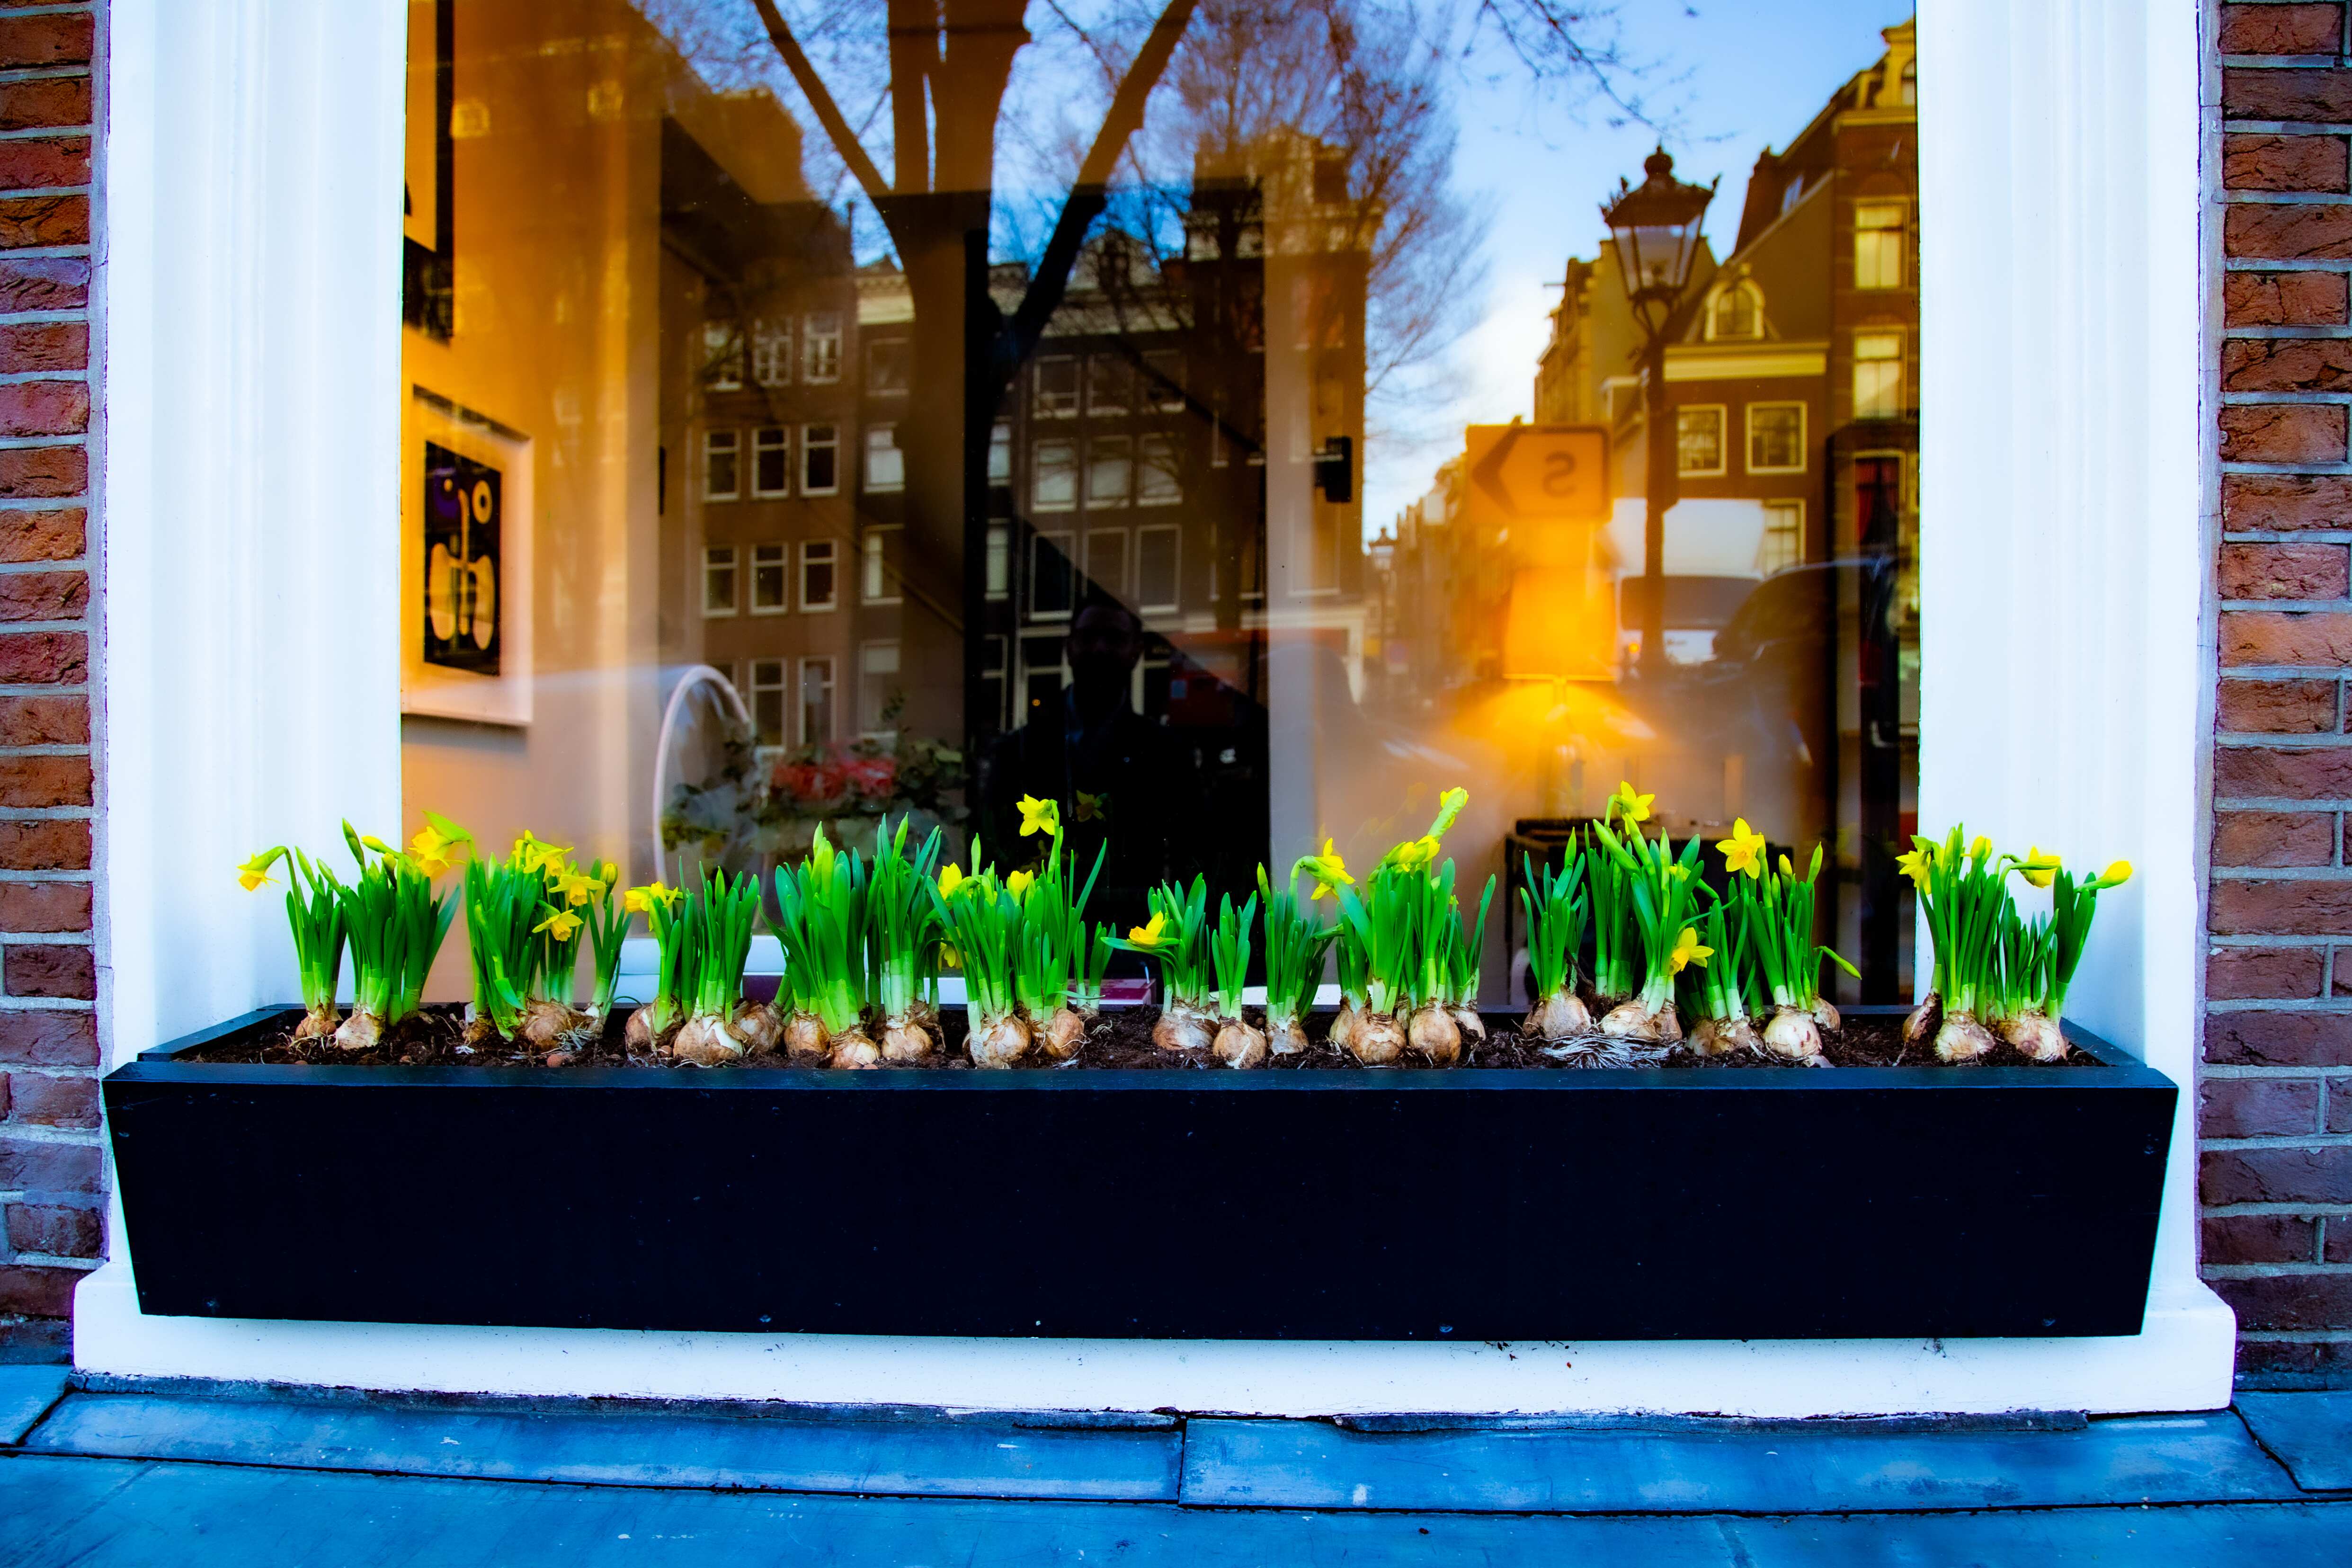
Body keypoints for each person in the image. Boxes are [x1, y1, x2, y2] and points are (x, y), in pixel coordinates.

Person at [977, 594, 1176, 929]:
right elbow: (994, 846)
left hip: (1138, 933)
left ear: (1136, 651)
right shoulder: (1017, 751)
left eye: (1114, 639)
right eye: (1088, 637)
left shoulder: (1166, 752)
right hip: (1036, 933)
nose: (1099, 649)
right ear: (1069, 647)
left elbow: (1183, 855)